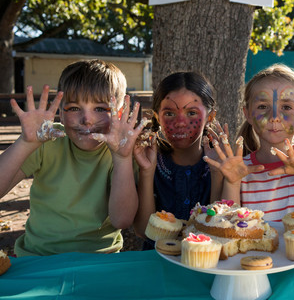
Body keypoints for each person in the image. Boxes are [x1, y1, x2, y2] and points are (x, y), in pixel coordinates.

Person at [0, 59, 145, 256]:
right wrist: (25, 143)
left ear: (120, 113)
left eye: (101, 109)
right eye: (75, 108)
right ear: (60, 111)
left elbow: (122, 220)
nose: (87, 120)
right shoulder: (47, 142)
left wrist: (122, 159)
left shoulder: (123, 151)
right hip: (38, 258)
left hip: (100, 259)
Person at [204, 64, 294, 227]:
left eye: (286, 107)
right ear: (248, 114)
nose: (274, 117)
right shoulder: (240, 169)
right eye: (262, 107)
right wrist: (232, 182)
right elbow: (228, 229)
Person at [133, 72, 223, 250]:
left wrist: (217, 173)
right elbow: (144, 231)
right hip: (157, 266)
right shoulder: (149, 161)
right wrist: (147, 172)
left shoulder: (221, 163)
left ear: (210, 117)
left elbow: (218, 230)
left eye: (191, 113)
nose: (181, 122)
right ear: (157, 117)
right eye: (170, 113)